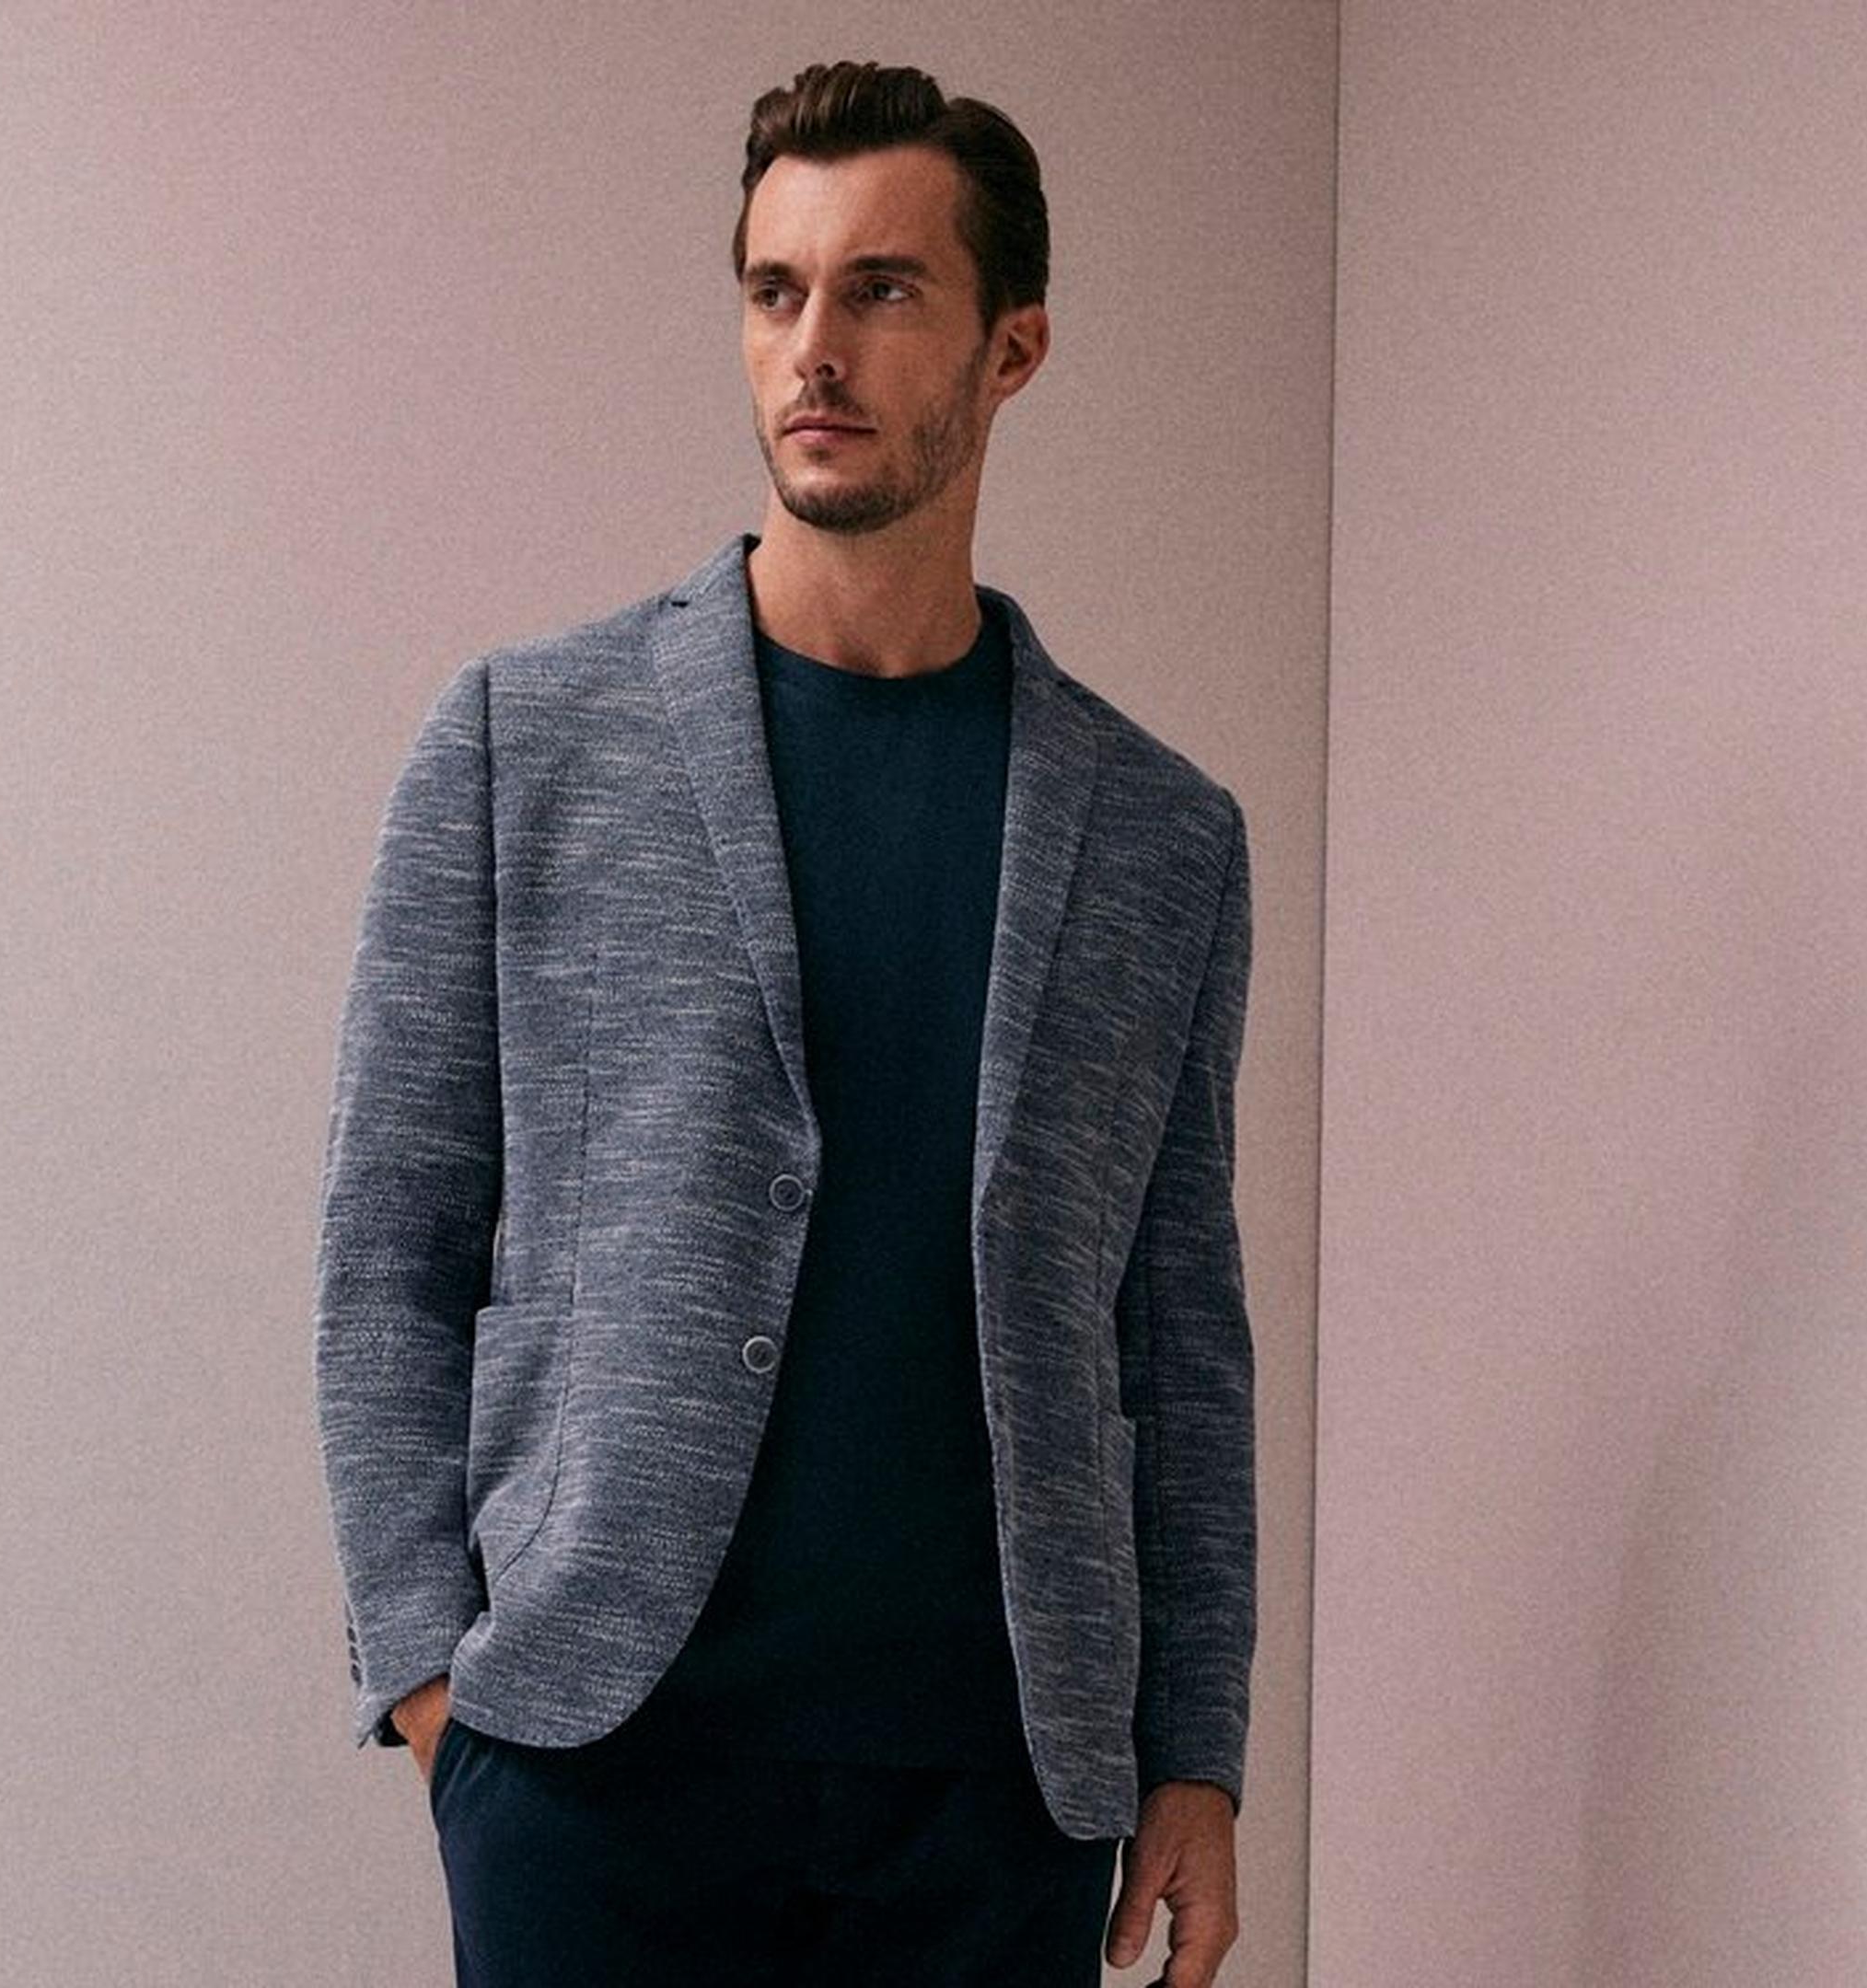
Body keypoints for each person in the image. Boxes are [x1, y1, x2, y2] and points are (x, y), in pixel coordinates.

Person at [313, 57, 1255, 1988]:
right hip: (600, 1780)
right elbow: (390, 1249)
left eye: (883, 290)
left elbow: (1180, 1340)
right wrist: (431, 1684)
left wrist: (1197, 1752)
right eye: (776, 289)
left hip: (994, 1808)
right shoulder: (521, 743)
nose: (814, 346)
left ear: (1011, 350)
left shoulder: (1162, 836)